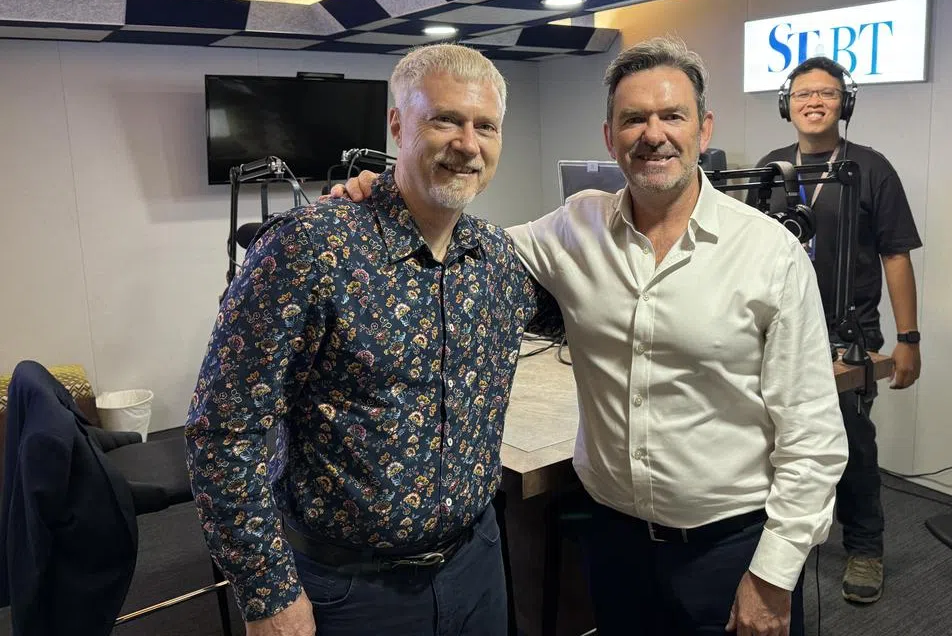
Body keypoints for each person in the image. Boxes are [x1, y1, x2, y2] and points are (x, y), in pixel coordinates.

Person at [337, 36, 848, 636]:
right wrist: (384, 197)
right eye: (633, 119)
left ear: (703, 130)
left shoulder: (770, 253)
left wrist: (774, 574)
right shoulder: (575, 225)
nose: (653, 134)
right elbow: (469, 247)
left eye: (672, 116)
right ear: (610, 136)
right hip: (612, 541)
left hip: (730, 547)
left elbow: (813, 435)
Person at [186, 43, 562, 636]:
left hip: (477, 567)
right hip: (350, 590)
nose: (468, 143)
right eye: (445, 119)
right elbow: (224, 430)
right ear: (396, 124)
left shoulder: (497, 260)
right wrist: (268, 593)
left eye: (484, 125)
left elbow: (598, 311)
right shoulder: (309, 249)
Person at [746, 56, 923, 604]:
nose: (813, 102)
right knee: (773, 440)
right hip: (777, 332)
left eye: (825, 93)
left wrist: (908, 339)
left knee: (849, 442)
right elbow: (747, 250)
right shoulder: (771, 166)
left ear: (844, 103)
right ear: (787, 104)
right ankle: (778, 546)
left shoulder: (871, 168)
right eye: (802, 94)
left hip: (847, 333)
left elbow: (896, 255)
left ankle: (865, 548)